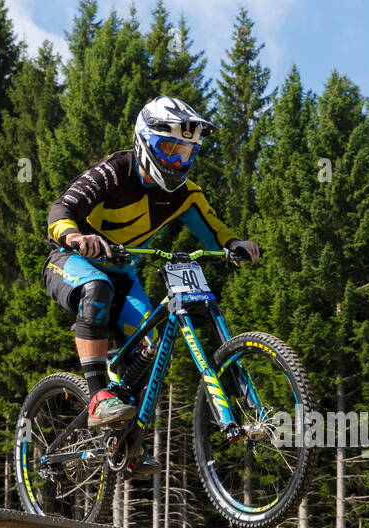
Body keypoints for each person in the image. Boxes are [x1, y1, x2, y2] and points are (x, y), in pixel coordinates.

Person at [41, 95, 261, 477]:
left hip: (124, 275)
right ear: (145, 141)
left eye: (186, 154)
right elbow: (60, 211)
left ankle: (126, 439)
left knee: (152, 346)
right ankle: (97, 398)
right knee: (97, 290)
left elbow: (215, 231)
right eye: (169, 150)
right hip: (68, 261)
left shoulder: (186, 194)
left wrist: (233, 246)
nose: (177, 162)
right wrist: (76, 237)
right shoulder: (115, 170)